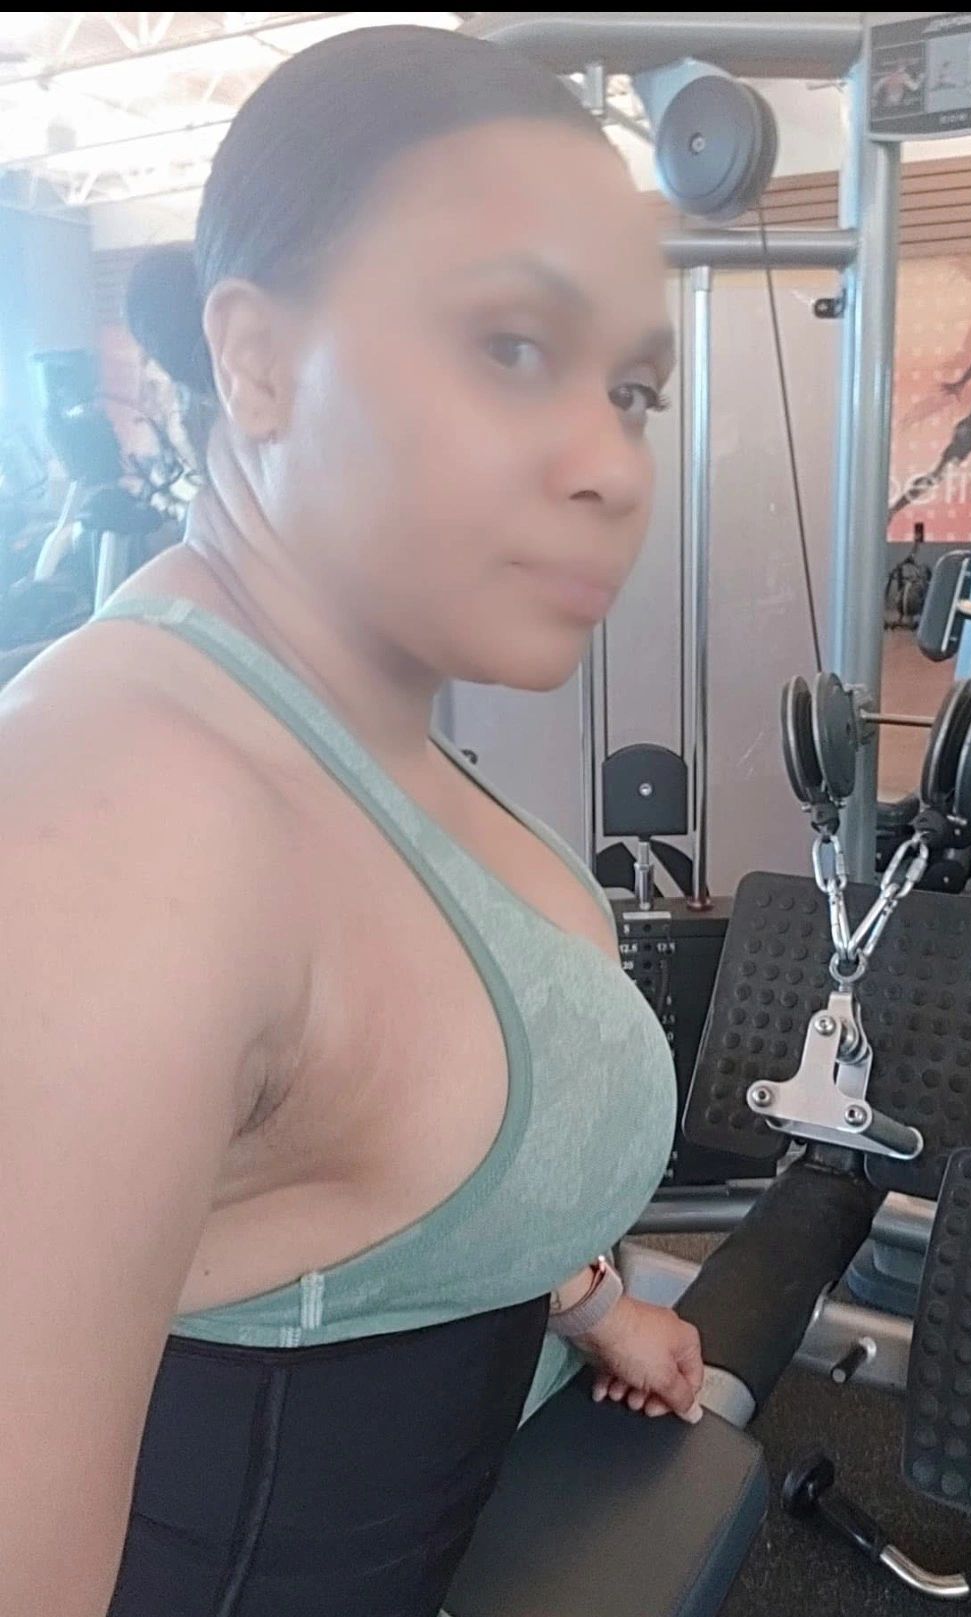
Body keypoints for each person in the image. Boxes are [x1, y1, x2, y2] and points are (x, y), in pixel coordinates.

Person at [0, 25, 704, 1617]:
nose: (613, 464)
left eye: (633, 388)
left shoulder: (355, 716)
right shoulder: (124, 823)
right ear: (254, 360)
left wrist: (589, 1298)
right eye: (511, 345)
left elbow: (385, 1135)